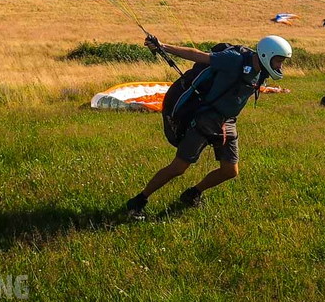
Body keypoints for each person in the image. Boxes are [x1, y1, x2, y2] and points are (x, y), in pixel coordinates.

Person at [125, 35, 293, 220]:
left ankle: (192, 194)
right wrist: (163, 47)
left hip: (227, 122)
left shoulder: (262, 71)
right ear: (265, 54)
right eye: (278, 61)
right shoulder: (234, 60)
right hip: (206, 119)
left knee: (230, 171)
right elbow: (198, 55)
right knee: (179, 167)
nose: (280, 66)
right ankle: (138, 201)